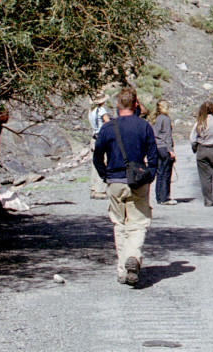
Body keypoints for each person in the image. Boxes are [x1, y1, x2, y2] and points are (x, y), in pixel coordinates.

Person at [93, 88, 158, 286]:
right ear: (135, 104)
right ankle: (133, 257)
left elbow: (97, 156)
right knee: (138, 224)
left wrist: (106, 176)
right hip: (138, 182)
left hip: (115, 181)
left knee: (119, 225)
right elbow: (153, 155)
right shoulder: (144, 126)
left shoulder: (108, 128)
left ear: (117, 105)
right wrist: (150, 176)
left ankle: (123, 270)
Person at [152, 100, 177, 205]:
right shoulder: (166, 119)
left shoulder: (155, 119)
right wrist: (171, 150)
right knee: (166, 173)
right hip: (164, 148)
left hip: (156, 147)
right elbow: (167, 136)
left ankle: (159, 197)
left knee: (159, 173)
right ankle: (165, 197)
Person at [88, 94, 110, 199]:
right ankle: (100, 190)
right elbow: (108, 123)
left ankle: (93, 188)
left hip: (93, 137)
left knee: (94, 163)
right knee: (103, 162)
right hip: (101, 138)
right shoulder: (101, 110)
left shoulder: (91, 112)